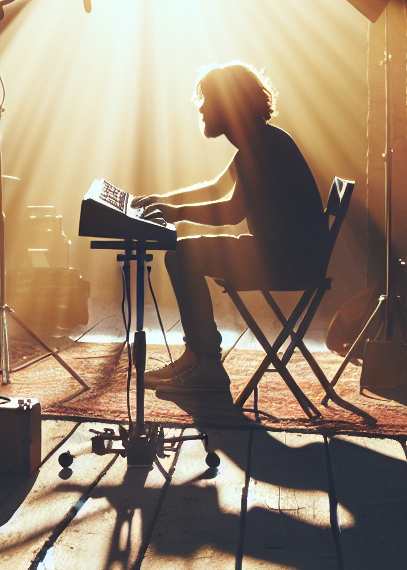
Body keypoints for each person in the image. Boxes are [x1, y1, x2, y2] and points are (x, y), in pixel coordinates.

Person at [131, 61, 329, 396]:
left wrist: (175, 213)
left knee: (182, 255)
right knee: (182, 253)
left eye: (207, 100)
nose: (201, 108)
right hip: (287, 255)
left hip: (286, 261)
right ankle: (200, 356)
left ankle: (204, 361)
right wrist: (162, 200)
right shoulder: (261, 140)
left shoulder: (261, 147)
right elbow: (216, 188)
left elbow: (231, 212)